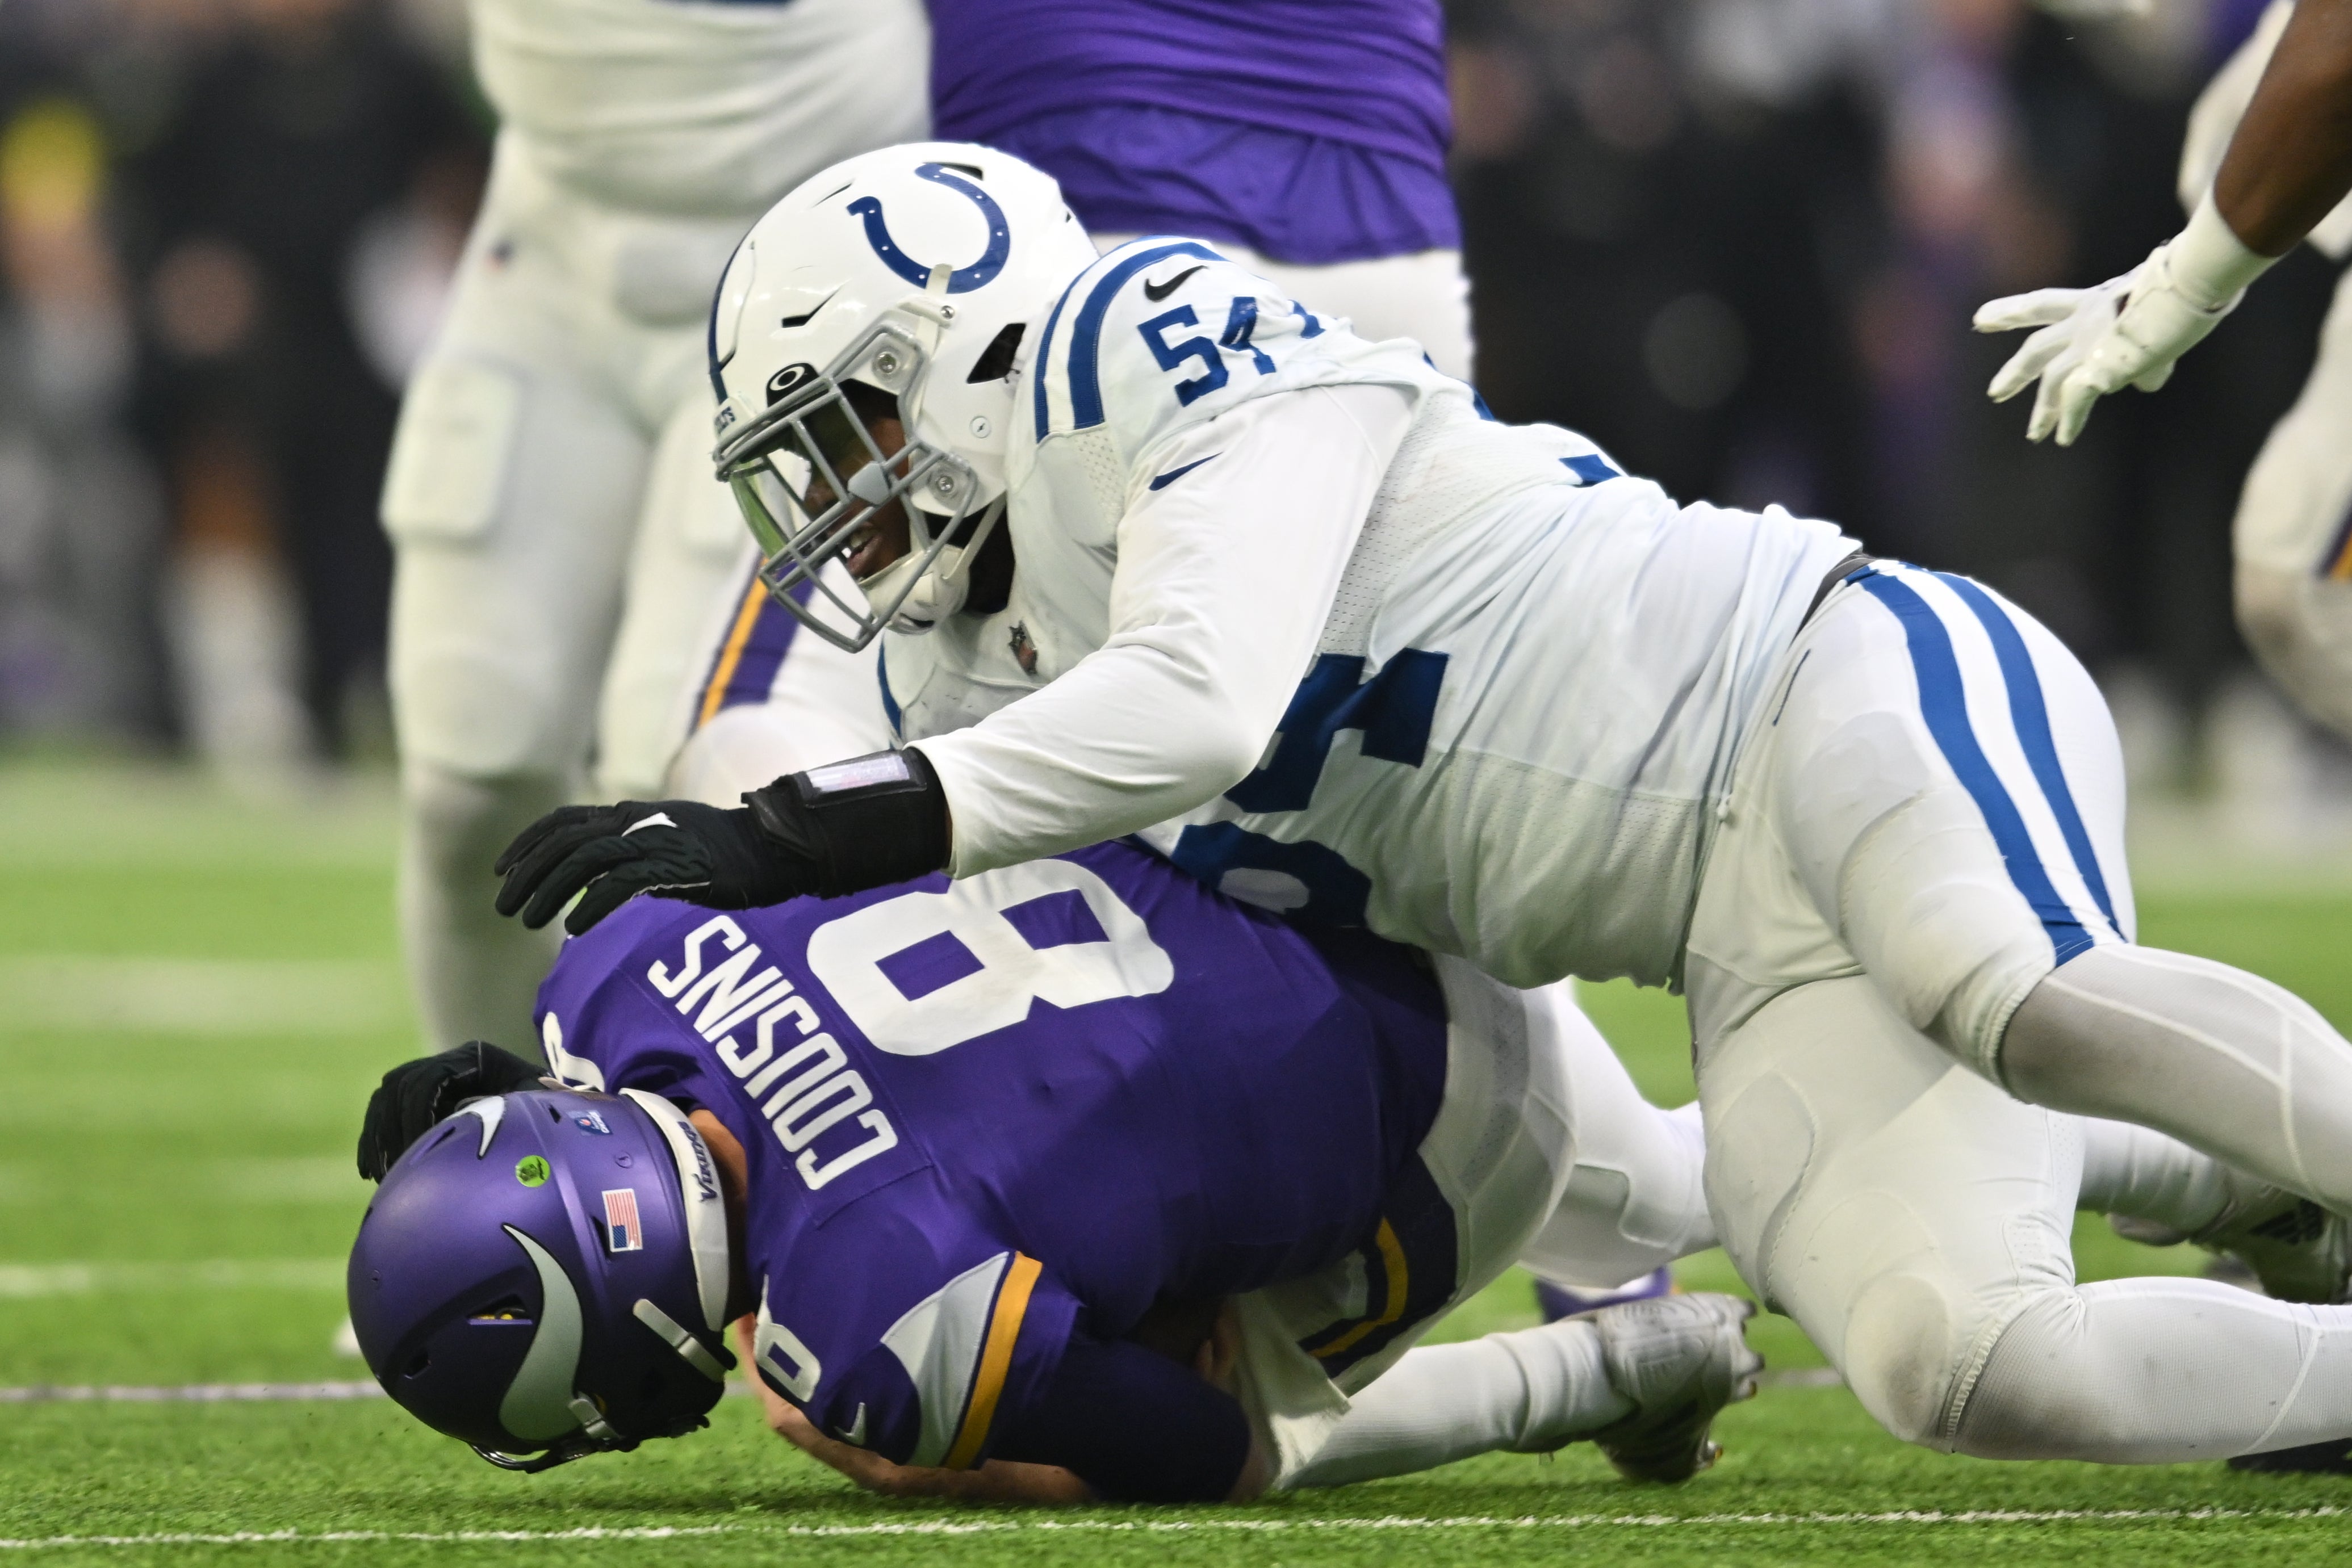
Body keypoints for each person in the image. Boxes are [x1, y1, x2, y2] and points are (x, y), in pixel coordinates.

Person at [488, 140, 2352, 1467]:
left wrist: (809, 830)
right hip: (1717, 937)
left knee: (1999, 985)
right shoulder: (976, 662)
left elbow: (1202, 703)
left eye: (851, 439)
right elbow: (928, 934)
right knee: (1965, 1366)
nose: (842, 509)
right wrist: (562, 1089)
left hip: (1822, 682)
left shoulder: (1133, 338)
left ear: (949, 348)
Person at [349, 840, 1750, 1498]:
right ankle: (1705, 1203)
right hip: (1330, 889)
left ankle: (1597, 1372)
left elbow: (1205, 1449)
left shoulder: (875, 1313)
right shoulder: (619, 955)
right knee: (1695, 1183)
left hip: (1448, 1117)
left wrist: (937, 1456)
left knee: (1233, 1406)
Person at [381, 0, 927, 1054]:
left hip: (802, 270)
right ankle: (485, 1146)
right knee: (470, 766)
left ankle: (669, 1163)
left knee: (676, 766)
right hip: (551, 254)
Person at [1973, 0, 2352, 736]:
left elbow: (2333, 57)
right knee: (2136, 460)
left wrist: (2185, 282)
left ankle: (2258, 704)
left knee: (2282, 528)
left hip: (2271, 200)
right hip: (2168, 181)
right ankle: (2139, 666)